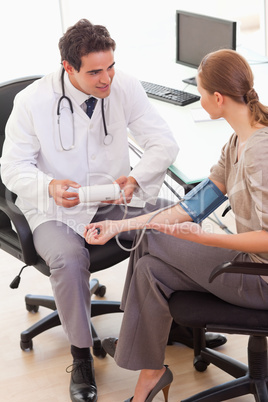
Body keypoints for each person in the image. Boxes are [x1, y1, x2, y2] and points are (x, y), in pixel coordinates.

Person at [1, 19, 180, 402]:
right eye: (95, 71)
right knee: (67, 259)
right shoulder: (32, 101)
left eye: (110, 66)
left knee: (173, 222)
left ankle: (170, 326)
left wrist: (136, 178)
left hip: (113, 200)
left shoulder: (124, 86)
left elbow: (163, 143)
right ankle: (81, 356)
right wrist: (47, 186)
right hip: (55, 209)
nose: (106, 79)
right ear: (68, 67)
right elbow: (12, 168)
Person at [84, 49, 268, 402]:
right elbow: (192, 207)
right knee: (152, 269)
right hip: (245, 263)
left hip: (259, 277)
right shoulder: (236, 144)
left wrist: (210, 240)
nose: (199, 101)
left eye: (200, 94)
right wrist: (120, 227)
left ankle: (136, 345)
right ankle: (149, 375)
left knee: (153, 243)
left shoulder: (260, 150)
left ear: (218, 98)